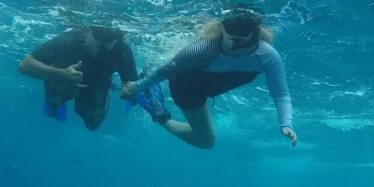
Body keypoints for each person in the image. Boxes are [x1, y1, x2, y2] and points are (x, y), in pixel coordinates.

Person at [119, 12, 297, 149]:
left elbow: (281, 93)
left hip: (212, 85)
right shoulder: (202, 49)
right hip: (187, 86)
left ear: (256, 40)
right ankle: (159, 113)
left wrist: (286, 123)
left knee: (204, 143)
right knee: (206, 142)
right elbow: (166, 70)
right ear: (222, 33)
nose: (236, 54)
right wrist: (136, 87)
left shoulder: (268, 56)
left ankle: (158, 111)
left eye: (244, 48)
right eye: (230, 47)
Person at [18, 25, 138, 131]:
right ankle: (59, 94)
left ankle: (108, 90)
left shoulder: (121, 50)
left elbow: (131, 85)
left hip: (97, 81)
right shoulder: (67, 41)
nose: (110, 47)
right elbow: (24, 65)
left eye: (115, 42)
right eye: (103, 42)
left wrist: (128, 91)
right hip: (62, 77)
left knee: (93, 125)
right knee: (53, 107)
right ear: (88, 29)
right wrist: (61, 74)